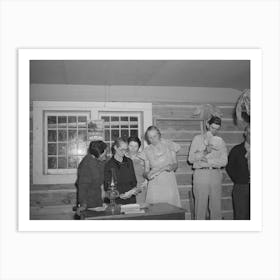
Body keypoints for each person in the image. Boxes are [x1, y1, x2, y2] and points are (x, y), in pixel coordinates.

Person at [188, 116, 228, 220]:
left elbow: (224, 161)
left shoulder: (220, 141)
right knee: (200, 208)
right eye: (212, 128)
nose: (214, 131)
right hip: (201, 175)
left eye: (217, 129)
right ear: (207, 125)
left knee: (216, 209)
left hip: (215, 175)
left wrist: (208, 161)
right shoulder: (197, 139)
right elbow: (191, 159)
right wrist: (205, 151)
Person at [139, 126, 181, 207]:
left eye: (155, 136)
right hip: (154, 184)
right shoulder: (147, 150)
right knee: (155, 210)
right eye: (150, 138)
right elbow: (146, 171)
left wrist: (171, 167)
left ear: (159, 135)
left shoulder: (170, 145)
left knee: (170, 208)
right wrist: (147, 175)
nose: (153, 139)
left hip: (168, 181)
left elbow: (176, 165)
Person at [75, 141, 107, 215]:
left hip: (98, 200)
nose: (105, 154)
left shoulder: (100, 160)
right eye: (104, 153)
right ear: (98, 154)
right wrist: (83, 205)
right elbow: (82, 187)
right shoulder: (86, 165)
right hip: (89, 203)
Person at [226, 125, 250, 220]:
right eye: (250, 134)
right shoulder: (237, 150)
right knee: (241, 216)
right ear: (245, 134)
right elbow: (229, 167)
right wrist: (240, 180)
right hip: (241, 187)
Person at [104, 138, 138, 205]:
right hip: (116, 201)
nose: (124, 152)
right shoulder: (109, 164)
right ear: (115, 147)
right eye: (122, 149)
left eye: (126, 149)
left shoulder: (129, 162)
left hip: (131, 200)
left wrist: (134, 190)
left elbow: (134, 182)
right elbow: (107, 186)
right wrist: (120, 195)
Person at [126, 136, 147, 203]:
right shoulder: (123, 157)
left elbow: (149, 171)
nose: (133, 148)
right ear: (127, 146)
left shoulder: (143, 157)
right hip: (126, 188)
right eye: (131, 145)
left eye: (135, 146)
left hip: (140, 188)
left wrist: (146, 181)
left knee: (140, 209)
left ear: (139, 147)